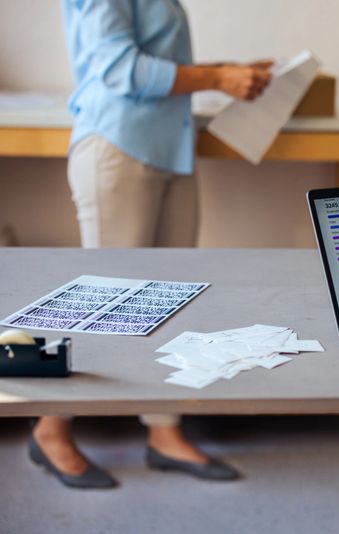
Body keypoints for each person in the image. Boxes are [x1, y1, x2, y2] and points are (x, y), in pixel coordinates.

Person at [31, 0, 274, 489]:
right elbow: (122, 69)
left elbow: (154, 56)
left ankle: (164, 432)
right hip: (119, 149)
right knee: (103, 307)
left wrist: (229, 72)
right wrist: (217, 78)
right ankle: (49, 428)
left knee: (172, 304)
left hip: (169, 153)